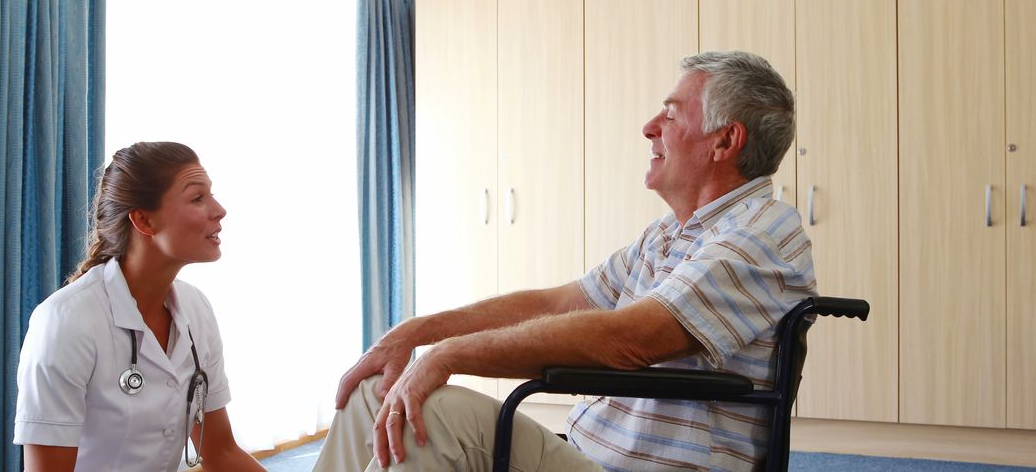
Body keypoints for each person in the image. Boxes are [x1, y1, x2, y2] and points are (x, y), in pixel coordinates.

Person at [316, 51, 818, 471]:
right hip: (586, 454)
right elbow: (558, 303)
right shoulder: (667, 235)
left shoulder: (763, 232)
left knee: (431, 414)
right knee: (374, 394)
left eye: (670, 114)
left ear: (725, 141)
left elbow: (630, 338)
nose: (649, 127)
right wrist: (416, 332)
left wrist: (451, 354)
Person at [14, 141, 264, 471]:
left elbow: (221, 451)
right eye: (197, 198)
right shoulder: (66, 322)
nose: (219, 210)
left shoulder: (196, 309)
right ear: (144, 221)